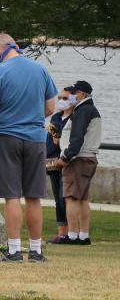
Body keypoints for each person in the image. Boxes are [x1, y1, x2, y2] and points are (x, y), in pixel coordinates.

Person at [0, 33, 57, 263]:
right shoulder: (40, 70)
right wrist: (32, 117)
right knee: (34, 195)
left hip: (7, 137)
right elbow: (51, 107)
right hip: (35, 138)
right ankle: (36, 251)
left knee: (11, 195)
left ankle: (13, 250)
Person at [54, 80, 102, 245]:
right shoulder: (90, 110)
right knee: (82, 198)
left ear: (82, 94)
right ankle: (83, 235)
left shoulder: (82, 111)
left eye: (74, 93)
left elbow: (77, 137)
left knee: (71, 197)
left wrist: (66, 157)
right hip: (88, 157)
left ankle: (73, 235)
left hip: (77, 159)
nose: (71, 96)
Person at [45, 89, 73, 244]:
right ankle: (61, 233)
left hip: (66, 161)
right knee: (58, 198)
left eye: (65, 98)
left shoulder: (74, 118)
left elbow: (64, 139)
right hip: (52, 161)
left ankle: (72, 232)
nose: (61, 100)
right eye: (60, 97)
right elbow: (51, 136)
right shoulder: (56, 116)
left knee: (65, 198)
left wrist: (57, 137)